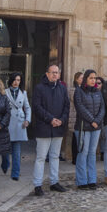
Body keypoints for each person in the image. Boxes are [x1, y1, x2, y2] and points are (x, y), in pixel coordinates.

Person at [32, 64, 70, 196]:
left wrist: (61, 120)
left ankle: (54, 182)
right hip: (44, 127)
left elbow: (66, 106)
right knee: (41, 157)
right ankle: (37, 184)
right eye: (52, 72)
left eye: (57, 73)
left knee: (55, 156)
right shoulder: (39, 88)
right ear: (47, 74)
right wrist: (50, 119)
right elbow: (37, 107)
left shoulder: (62, 88)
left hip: (58, 127)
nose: (55, 75)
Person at [73, 69, 105, 189]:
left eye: (94, 78)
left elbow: (102, 108)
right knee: (83, 153)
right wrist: (92, 120)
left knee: (92, 153)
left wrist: (96, 121)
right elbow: (80, 107)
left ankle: (92, 180)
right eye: (91, 78)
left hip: (96, 128)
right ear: (86, 79)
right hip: (83, 127)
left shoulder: (98, 92)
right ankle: (82, 181)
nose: (93, 80)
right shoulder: (79, 91)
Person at [2, 73, 30, 181]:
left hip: (19, 123)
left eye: (18, 80)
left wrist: (27, 120)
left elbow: (27, 108)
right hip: (7, 122)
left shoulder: (23, 93)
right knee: (5, 150)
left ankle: (15, 174)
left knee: (17, 151)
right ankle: (5, 164)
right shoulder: (5, 92)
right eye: (14, 80)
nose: (16, 82)